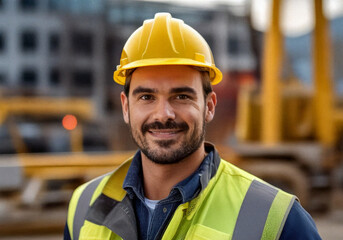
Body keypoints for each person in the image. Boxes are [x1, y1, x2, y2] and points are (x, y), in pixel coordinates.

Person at [64, 12, 321, 240]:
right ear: (125, 107)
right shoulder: (83, 207)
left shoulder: (277, 220)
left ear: (209, 105)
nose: (163, 114)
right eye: (146, 97)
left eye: (181, 96)